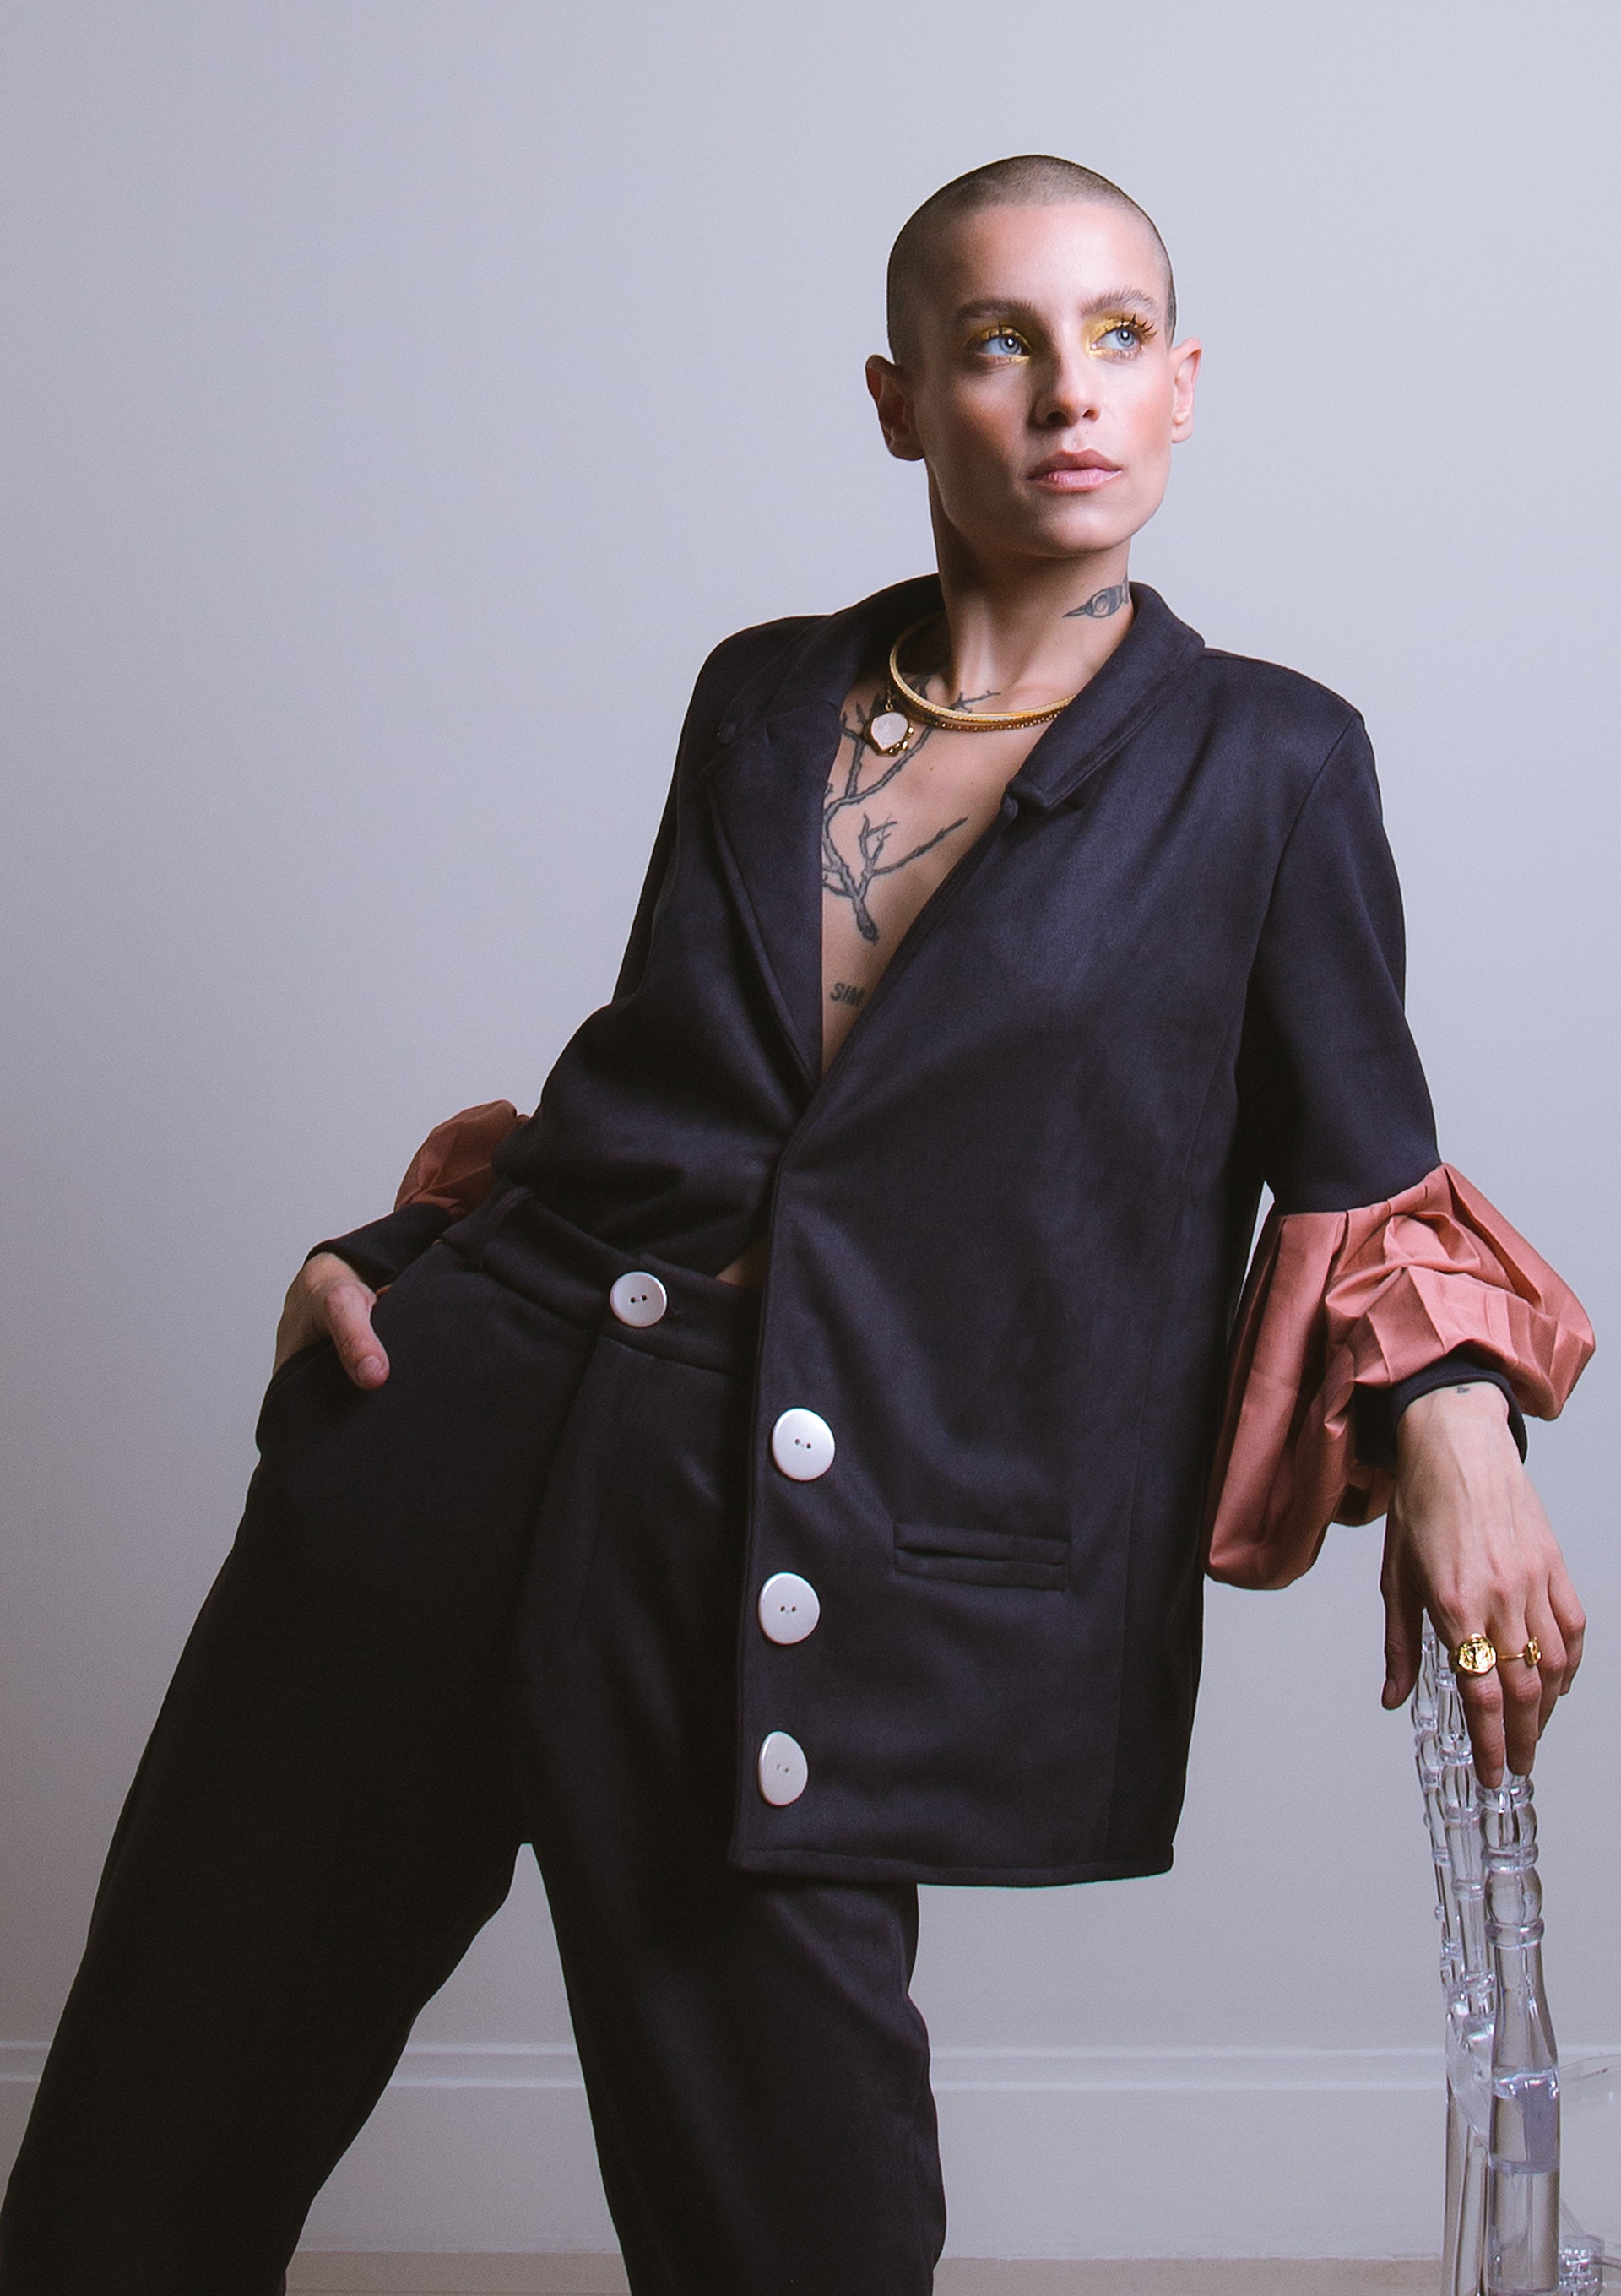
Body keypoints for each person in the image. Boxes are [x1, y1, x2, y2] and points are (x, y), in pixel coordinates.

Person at [0, 156, 1592, 2296]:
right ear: (900, 398)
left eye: (1118, 335)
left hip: (781, 1546)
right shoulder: (757, 697)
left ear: (1186, 382)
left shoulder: (1271, 763)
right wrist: (401, 1262)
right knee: (141, 2160)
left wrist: (1461, 1430)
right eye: (1000, 343)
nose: (1068, 392)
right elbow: (656, 1095)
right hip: (450, 1452)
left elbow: (1363, 1163)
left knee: (801, 2238)